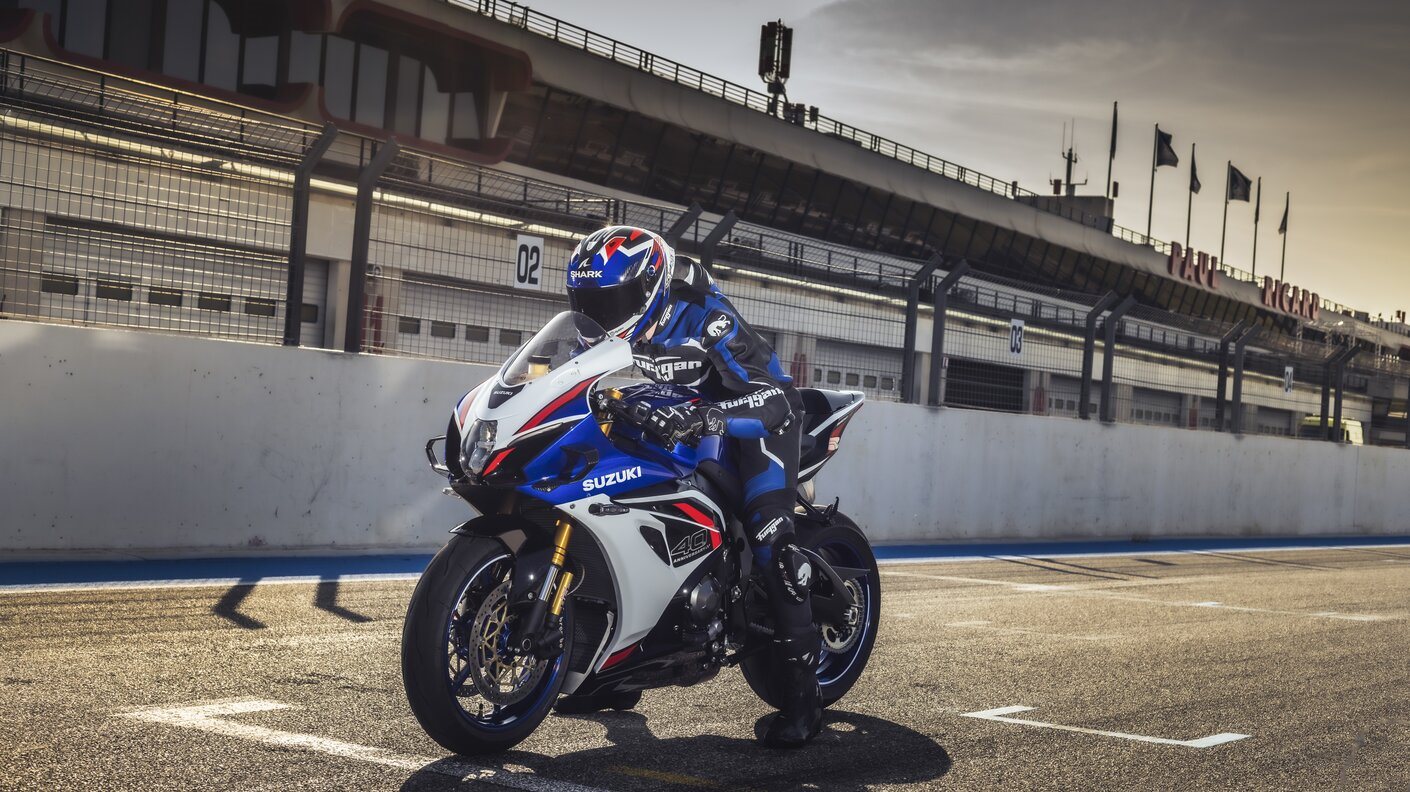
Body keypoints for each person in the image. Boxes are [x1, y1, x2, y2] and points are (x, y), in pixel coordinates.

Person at [558, 225, 820, 748]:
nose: (598, 314)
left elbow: (771, 398)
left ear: (650, 287)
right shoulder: (598, 337)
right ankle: (614, 674)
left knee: (770, 540)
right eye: (586, 302)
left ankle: (802, 697)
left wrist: (710, 418)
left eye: (611, 301)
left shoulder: (707, 316)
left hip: (753, 425)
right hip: (671, 425)